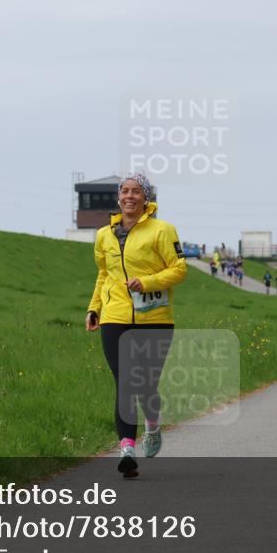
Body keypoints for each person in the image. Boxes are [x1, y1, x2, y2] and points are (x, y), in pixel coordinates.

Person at [86, 173, 187, 477]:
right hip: (114, 316)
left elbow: (179, 269)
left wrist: (148, 282)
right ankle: (127, 447)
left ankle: (153, 424)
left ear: (145, 198)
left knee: (145, 384)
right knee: (126, 380)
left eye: (135, 191)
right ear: (118, 197)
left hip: (154, 318)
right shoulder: (104, 234)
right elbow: (104, 275)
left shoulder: (162, 230)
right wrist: (94, 308)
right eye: (124, 191)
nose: (129, 196)